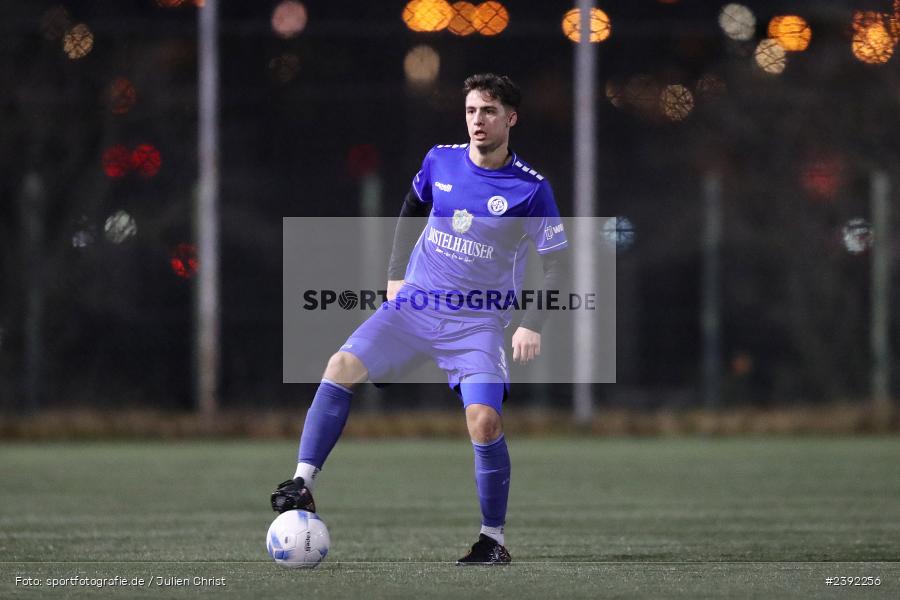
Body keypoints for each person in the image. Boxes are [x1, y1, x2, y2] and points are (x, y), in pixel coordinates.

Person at [272, 73, 569, 565]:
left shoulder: (531, 190)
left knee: (485, 420)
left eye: (490, 111)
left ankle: (492, 540)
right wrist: (394, 275)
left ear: (511, 119)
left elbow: (557, 261)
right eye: (472, 110)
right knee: (340, 366)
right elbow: (413, 207)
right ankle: (303, 484)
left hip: (476, 325)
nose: (478, 120)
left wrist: (532, 322)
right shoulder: (440, 159)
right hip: (413, 310)